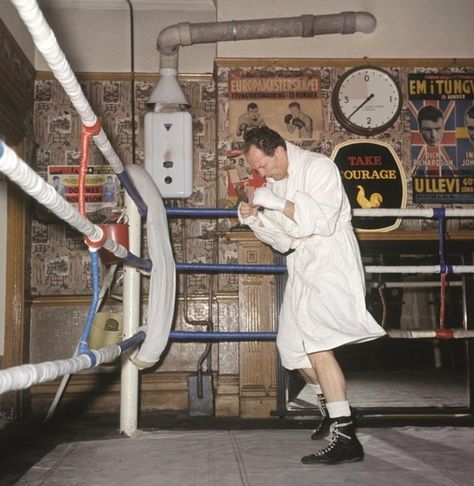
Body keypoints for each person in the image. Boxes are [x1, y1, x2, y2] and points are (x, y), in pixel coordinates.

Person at [238, 127, 385, 465]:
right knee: (291, 349)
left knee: (318, 346)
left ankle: (346, 438)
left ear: (279, 150)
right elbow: (286, 241)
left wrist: (273, 202)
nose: (260, 175)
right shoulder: (276, 182)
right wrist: (256, 220)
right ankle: (334, 410)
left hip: (332, 266)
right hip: (303, 267)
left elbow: (320, 220)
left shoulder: (320, 168)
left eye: (262, 166)